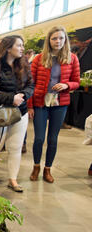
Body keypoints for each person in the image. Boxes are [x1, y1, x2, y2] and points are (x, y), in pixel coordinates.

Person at [28, 26, 80, 183]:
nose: (58, 41)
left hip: (60, 103)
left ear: (65, 40)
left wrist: (66, 85)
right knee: (38, 138)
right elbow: (31, 83)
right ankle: (36, 166)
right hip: (40, 102)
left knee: (53, 139)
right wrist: (30, 106)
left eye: (61, 38)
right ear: (49, 40)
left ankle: (47, 169)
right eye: (54, 38)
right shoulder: (39, 58)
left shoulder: (72, 58)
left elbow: (76, 82)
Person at [0, 35, 35, 192]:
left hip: (20, 112)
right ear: (8, 48)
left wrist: (23, 96)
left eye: (22, 45)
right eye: (19, 45)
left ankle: (12, 179)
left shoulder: (24, 65)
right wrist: (10, 98)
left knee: (16, 146)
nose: (22, 48)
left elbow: (30, 85)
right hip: (0, 112)